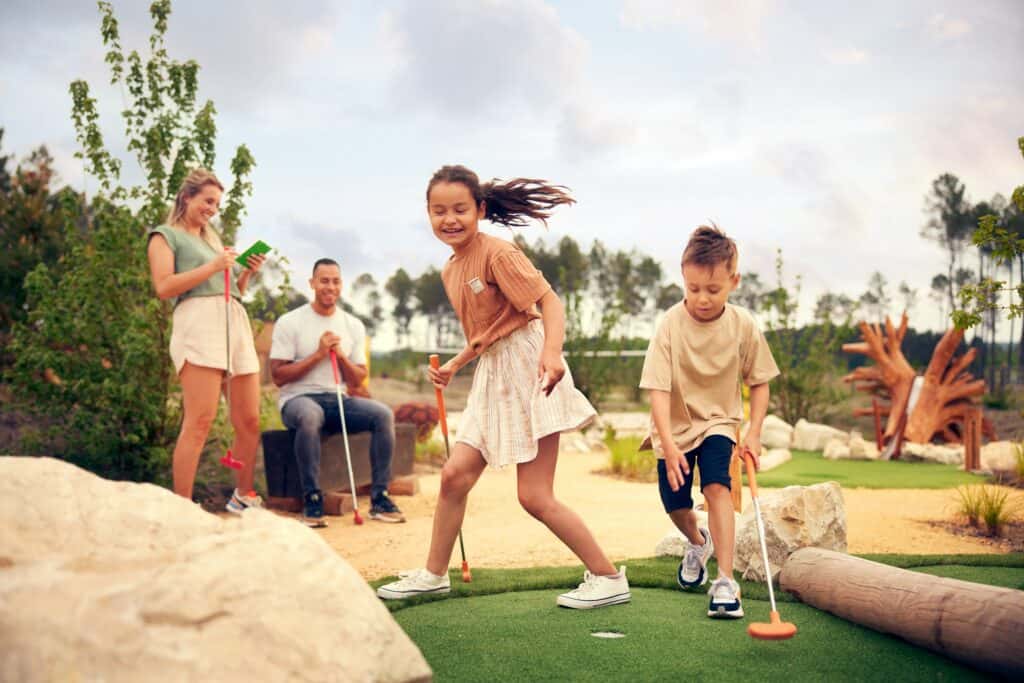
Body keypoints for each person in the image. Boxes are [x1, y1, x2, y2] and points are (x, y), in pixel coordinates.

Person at [376, 165, 629, 609]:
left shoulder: (498, 253)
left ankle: (608, 577)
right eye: (439, 211)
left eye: (459, 209)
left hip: (531, 369)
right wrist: (455, 364)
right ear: (428, 214)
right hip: (492, 375)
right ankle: (434, 576)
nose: (449, 219)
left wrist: (552, 353)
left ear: (480, 209)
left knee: (534, 496)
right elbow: (489, 331)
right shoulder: (451, 270)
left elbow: (548, 302)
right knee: (454, 476)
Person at [639, 224, 779, 618]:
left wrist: (754, 432)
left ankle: (725, 582)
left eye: (713, 290)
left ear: (734, 281)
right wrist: (668, 445)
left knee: (717, 486)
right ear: (683, 278)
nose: (702, 298)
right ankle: (698, 542)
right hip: (674, 427)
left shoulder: (742, 325)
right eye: (693, 288)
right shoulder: (669, 324)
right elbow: (657, 389)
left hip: (719, 420)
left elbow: (760, 382)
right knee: (675, 504)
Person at [147, 168, 266, 513]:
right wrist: (213, 266)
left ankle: (243, 496)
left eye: (216, 204)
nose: (212, 209)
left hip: (234, 321)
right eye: (207, 201)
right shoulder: (165, 236)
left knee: (249, 420)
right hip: (198, 323)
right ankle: (182, 507)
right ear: (187, 197)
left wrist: (246, 272)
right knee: (200, 420)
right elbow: (164, 287)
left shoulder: (212, 240)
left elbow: (232, 290)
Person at [270, 258, 405, 528]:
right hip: (298, 399)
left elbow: (357, 378)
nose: (330, 287)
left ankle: (380, 498)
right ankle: (312, 500)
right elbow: (278, 376)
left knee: (382, 415)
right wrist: (318, 354)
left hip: (339, 399)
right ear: (312, 283)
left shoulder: (352, 324)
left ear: (341, 285)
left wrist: (341, 356)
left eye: (335, 281)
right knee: (310, 416)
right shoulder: (290, 321)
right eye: (324, 281)